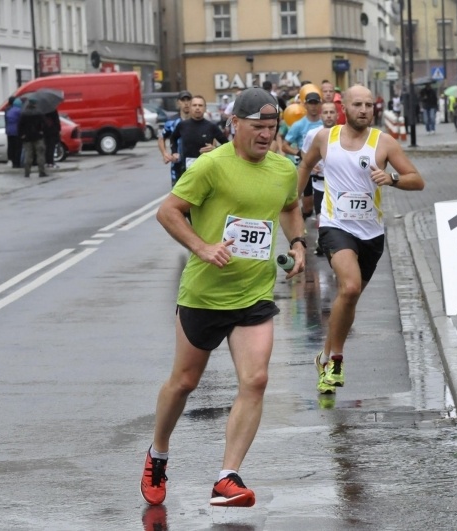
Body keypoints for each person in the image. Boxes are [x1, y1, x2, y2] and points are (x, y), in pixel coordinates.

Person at [140, 87, 306, 508]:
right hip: (204, 295)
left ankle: (226, 477)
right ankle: (158, 453)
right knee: (184, 383)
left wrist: (299, 242)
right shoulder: (212, 166)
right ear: (235, 124)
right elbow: (168, 211)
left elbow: (288, 206)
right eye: (259, 127)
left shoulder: (284, 168)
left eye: (272, 128)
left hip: (254, 292)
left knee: (256, 379)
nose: (267, 135)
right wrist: (201, 247)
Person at [297, 84, 424, 394]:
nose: (364, 110)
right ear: (345, 109)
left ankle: (325, 357)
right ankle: (337, 360)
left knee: (349, 299)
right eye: (358, 105)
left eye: (369, 105)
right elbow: (303, 164)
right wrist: (293, 200)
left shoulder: (384, 142)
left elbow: (417, 181)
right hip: (335, 225)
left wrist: (392, 178)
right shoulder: (326, 138)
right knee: (350, 286)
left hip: (371, 233)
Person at [300, 101, 339, 256]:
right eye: (326, 112)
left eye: (332, 112)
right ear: (321, 115)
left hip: (337, 184)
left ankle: (330, 244)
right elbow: (304, 153)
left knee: (336, 218)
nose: (329, 116)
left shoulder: (343, 133)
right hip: (319, 183)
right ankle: (323, 242)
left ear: (337, 115)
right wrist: (311, 164)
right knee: (321, 217)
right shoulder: (313, 134)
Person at [282, 90, 324, 219]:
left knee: (323, 205)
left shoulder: (326, 124)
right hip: (306, 168)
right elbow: (285, 146)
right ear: (305, 105)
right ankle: (302, 223)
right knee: (307, 206)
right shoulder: (298, 125)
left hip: (322, 170)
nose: (313, 106)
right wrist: (300, 153)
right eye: (310, 103)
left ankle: (322, 231)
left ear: (320, 105)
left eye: (316, 103)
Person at [168, 95, 229, 173]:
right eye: (194, 105)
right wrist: (174, 152)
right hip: (187, 169)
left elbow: (227, 145)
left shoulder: (211, 126)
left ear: (205, 108)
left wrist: (214, 149)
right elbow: (173, 138)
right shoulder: (182, 125)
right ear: (190, 108)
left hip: (207, 169)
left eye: (200, 105)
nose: (197, 108)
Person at [157, 90, 192, 187]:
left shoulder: (197, 120)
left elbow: (211, 135)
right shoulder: (172, 121)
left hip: (195, 163)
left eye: (188, 100)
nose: (186, 103)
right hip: (177, 164)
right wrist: (165, 154)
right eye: (183, 100)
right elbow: (161, 138)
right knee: (178, 195)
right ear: (178, 103)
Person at [17, 98, 48, 178]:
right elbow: (45, 124)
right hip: (38, 136)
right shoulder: (39, 113)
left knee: (28, 155)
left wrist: (22, 135)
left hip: (27, 138)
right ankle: (41, 172)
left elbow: (20, 126)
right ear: (35, 104)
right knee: (40, 154)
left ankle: (27, 172)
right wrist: (42, 131)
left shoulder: (24, 113)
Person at [5, 96, 23, 169]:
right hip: (16, 131)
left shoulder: (9, 110)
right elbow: (21, 121)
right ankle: (17, 163)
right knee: (18, 147)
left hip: (9, 131)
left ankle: (12, 161)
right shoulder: (19, 111)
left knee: (11, 146)